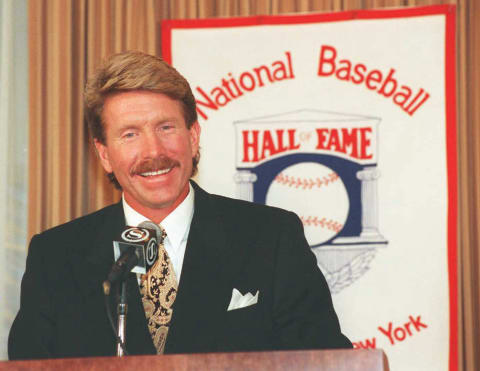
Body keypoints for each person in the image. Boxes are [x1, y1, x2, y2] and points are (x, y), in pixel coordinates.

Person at [8, 51, 351, 360]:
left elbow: (326, 360)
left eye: (166, 127)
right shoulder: (56, 256)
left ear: (193, 136)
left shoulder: (271, 238)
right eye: (130, 134)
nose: (153, 151)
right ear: (104, 155)